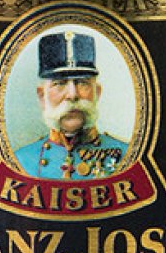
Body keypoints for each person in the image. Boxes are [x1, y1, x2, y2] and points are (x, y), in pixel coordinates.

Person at [15, 31, 129, 180]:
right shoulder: (20, 160)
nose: (72, 94)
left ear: (97, 93)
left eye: (82, 82)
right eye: (60, 83)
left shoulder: (127, 155)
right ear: (42, 96)